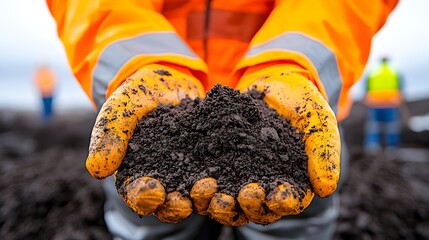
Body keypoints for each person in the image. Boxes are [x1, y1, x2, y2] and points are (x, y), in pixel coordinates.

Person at [46, 0, 398, 239]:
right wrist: (139, 60)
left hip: (287, 101)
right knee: (149, 213)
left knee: (290, 219)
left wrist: (297, 60)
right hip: (158, 102)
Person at [364, 57, 403, 155]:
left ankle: (372, 147)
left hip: (375, 104)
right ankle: (392, 148)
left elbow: (367, 87)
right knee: (391, 127)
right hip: (390, 104)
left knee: (374, 126)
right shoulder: (394, 73)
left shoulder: (373, 73)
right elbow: (399, 87)